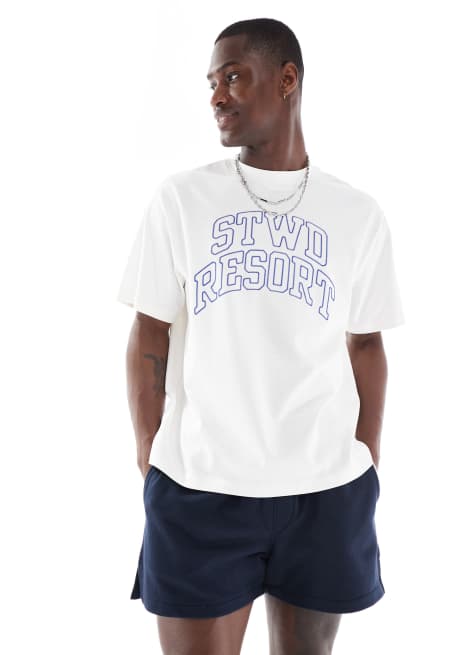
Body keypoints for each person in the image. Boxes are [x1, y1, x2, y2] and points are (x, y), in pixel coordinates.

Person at [117, 17, 405, 655]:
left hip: (325, 492)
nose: (217, 97)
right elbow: (149, 332)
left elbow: (366, 344)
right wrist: (148, 452)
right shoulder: (182, 201)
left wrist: (366, 459)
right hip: (201, 491)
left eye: (233, 78)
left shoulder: (357, 214)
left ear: (287, 79)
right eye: (212, 84)